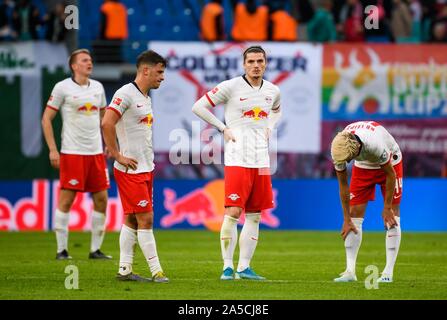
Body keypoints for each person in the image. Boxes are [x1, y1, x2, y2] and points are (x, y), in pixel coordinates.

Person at [192, 46, 282, 280]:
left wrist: (270, 127)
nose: (255, 65)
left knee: (255, 215)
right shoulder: (231, 87)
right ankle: (227, 267)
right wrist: (223, 128)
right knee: (233, 211)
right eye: (251, 61)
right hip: (237, 159)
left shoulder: (273, 90)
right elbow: (198, 106)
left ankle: (244, 267)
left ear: (265, 63)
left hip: (261, 160)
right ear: (244, 64)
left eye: (260, 61)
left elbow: (277, 110)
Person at [101, 50, 169, 283]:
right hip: (130, 170)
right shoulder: (125, 94)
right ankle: (156, 271)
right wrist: (117, 154)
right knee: (146, 219)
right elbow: (107, 122)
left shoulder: (145, 97)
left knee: (131, 218)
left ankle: (124, 270)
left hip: (145, 168)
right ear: (146, 70)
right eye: (160, 72)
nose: (162, 77)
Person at [41, 49, 112, 260]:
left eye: (90, 59)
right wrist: (53, 149)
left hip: (96, 153)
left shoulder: (98, 87)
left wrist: (110, 144)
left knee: (102, 200)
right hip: (72, 152)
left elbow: (105, 120)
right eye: (84, 60)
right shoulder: (62, 88)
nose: (89, 63)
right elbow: (46, 119)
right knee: (66, 200)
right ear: (74, 66)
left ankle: (95, 250)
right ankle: (61, 250)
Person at [330, 121, 403, 283]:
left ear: (355, 151)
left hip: (391, 162)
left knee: (392, 215)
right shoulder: (338, 148)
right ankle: (350, 272)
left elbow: (390, 175)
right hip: (363, 166)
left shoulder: (375, 145)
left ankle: (388, 272)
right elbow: (343, 186)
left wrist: (387, 207)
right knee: (354, 214)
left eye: (349, 159)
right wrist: (346, 219)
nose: (346, 162)